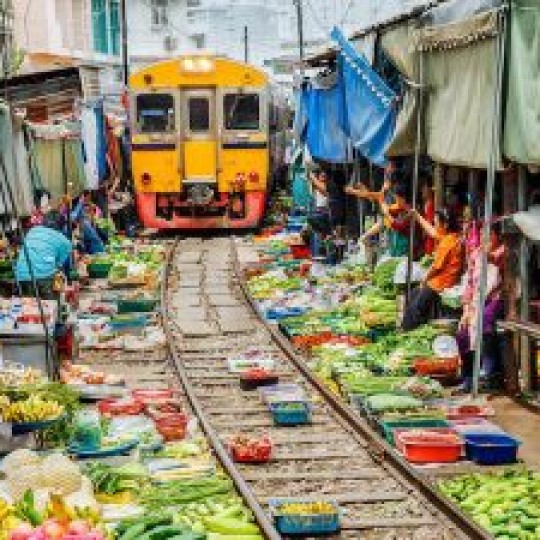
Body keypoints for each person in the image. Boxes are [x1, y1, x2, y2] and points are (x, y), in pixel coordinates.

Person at [402, 208, 463, 330]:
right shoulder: (451, 236)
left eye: (436, 223)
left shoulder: (448, 242)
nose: (435, 226)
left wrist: (424, 280)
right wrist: (417, 215)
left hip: (441, 283)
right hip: (440, 281)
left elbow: (435, 267)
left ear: (445, 225)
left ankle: (411, 330)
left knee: (415, 307)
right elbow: (432, 232)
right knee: (413, 294)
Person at [15, 214, 73, 299]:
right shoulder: (65, 241)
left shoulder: (32, 231)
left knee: (29, 307)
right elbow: (59, 263)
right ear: (61, 225)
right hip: (44, 277)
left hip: (21, 275)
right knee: (50, 306)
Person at [421, 181, 435, 256]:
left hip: (429, 236)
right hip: (426, 236)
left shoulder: (431, 204)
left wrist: (424, 232)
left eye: (424, 188)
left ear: (430, 189)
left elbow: (430, 222)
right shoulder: (426, 203)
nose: (422, 191)